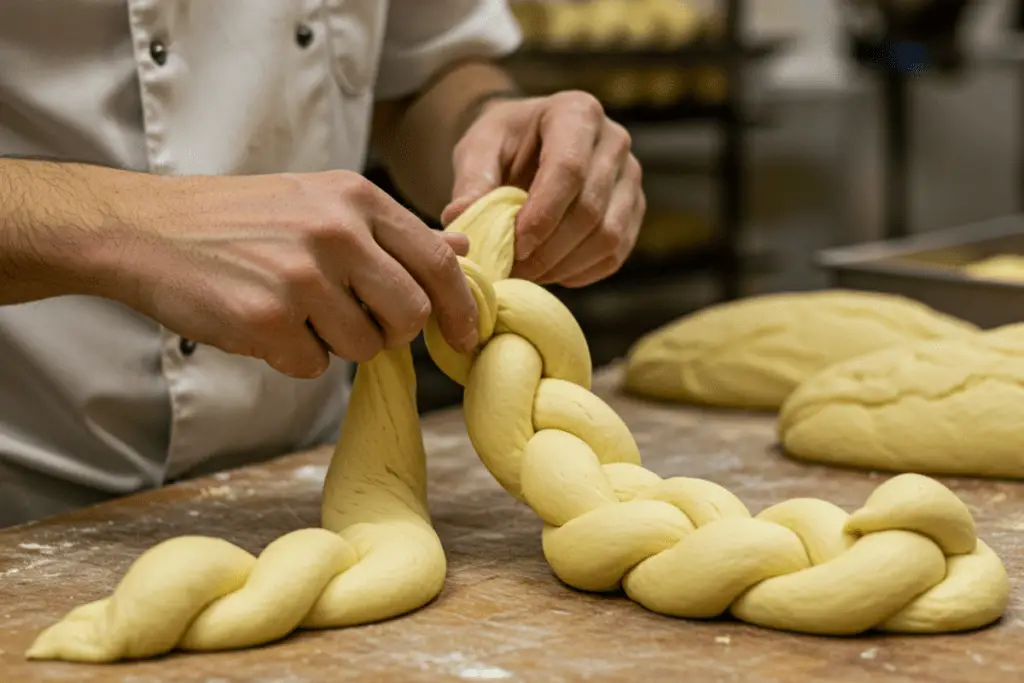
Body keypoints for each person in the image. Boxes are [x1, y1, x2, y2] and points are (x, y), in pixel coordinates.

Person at [0, 0, 646, 527]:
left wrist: (489, 127)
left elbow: (420, 77)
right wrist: (129, 228)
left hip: (305, 482)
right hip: (23, 483)